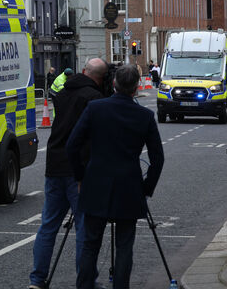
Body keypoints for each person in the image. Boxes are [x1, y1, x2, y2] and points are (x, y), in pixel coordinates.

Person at [66, 64, 164, 289]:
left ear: (114, 84)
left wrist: (80, 177)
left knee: (90, 245)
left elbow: (72, 146)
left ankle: (85, 286)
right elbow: (158, 159)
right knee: (124, 246)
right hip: (129, 187)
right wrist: (146, 188)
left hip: (95, 184)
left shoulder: (95, 108)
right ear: (136, 87)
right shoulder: (145, 116)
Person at [29, 59, 108, 289]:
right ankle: (85, 282)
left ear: (83, 71)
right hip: (78, 169)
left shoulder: (62, 92)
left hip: (54, 163)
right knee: (83, 227)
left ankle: (36, 279)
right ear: (100, 78)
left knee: (48, 225)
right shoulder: (94, 99)